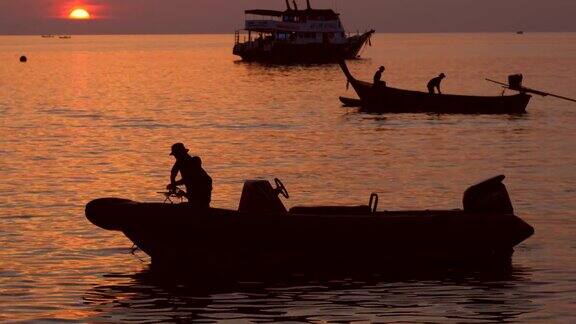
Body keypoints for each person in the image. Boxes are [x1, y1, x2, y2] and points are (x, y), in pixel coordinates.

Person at [167, 143, 213, 208]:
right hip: (193, 200)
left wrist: (174, 184)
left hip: (200, 202)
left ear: (181, 154)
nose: (175, 157)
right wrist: (173, 183)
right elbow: (173, 173)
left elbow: (188, 179)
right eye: (175, 155)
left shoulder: (193, 163)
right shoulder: (179, 162)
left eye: (176, 155)